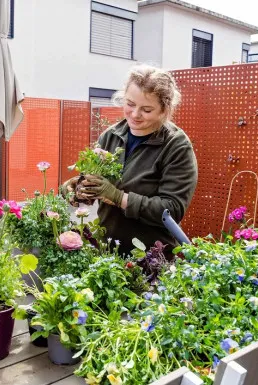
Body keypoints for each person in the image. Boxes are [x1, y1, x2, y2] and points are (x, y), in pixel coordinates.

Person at [62, 64, 198, 256]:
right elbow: (98, 187)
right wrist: (79, 189)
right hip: (107, 250)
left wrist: (119, 198)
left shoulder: (175, 146)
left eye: (147, 109)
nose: (135, 114)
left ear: (164, 110)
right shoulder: (111, 136)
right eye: (130, 104)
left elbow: (172, 210)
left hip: (150, 256)